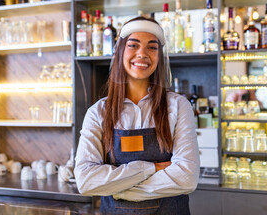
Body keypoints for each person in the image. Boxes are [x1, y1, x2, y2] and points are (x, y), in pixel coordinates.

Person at [74, 16, 200, 214]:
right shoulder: (98, 113)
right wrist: (153, 168)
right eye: (133, 45)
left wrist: (121, 189)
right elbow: (86, 181)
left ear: (159, 57)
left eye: (152, 47)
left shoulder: (178, 106)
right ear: (120, 51)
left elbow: (186, 178)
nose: (142, 54)